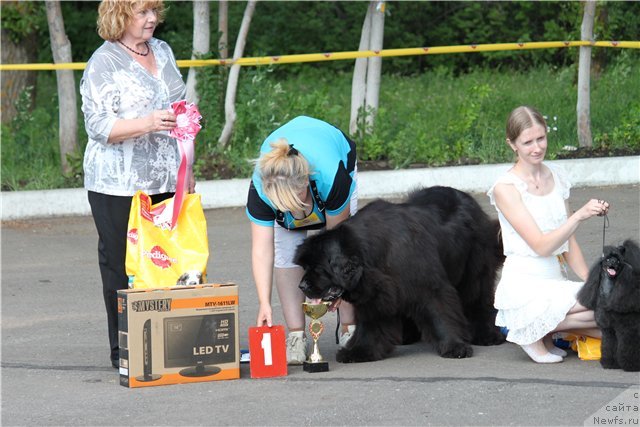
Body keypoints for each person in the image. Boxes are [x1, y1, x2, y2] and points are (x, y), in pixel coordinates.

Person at [81, 0, 191, 369]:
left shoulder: (162, 50)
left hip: (164, 176)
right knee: (120, 265)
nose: (152, 19)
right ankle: (124, 348)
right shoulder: (103, 62)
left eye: (155, 11)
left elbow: (181, 109)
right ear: (119, 15)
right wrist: (147, 122)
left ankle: (164, 341)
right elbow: (98, 128)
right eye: (143, 12)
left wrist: (187, 166)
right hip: (116, 183)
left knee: (165, 260)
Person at [487, 105, 607, 364]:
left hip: (554, 279)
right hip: (525, 285)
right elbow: (541, 246)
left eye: (541, 138)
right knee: (604, 315)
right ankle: (528, 329)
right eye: (527, 142)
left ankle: (544, 328)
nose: (537, 147)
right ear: (512, 145)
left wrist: (592, 282)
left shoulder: (556, 177)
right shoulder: (505, 188)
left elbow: (568, 242)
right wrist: (578, 216)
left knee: (608, 306)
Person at [246, 116, 358, 365]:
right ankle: (296, 336)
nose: (293, 214)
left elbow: (337, 244)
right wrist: (264, 302)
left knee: (345, 258)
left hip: (336, 150)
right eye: (282, 207)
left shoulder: (332, 177)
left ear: (306, 183)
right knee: (286, 252)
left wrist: (335, 287)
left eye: (294, 204)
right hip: (289, 180)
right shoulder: (261, 189)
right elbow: (262, 251)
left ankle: (350, 328)